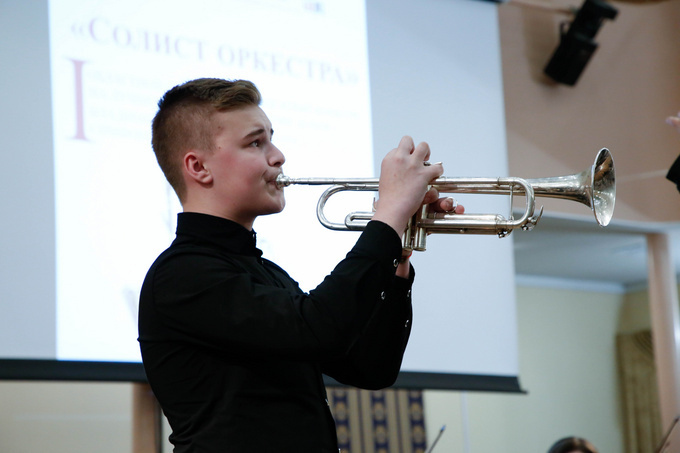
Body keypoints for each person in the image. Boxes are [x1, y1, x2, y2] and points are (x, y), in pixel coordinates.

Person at [138, 78, 461, 452]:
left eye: (271, 139)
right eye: (255, 142)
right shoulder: (181, 275)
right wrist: (388, 215)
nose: (278, 156)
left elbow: (371, 368)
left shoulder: (266, 272)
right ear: (198, 167)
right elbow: (318, 326)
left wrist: (397, 255)